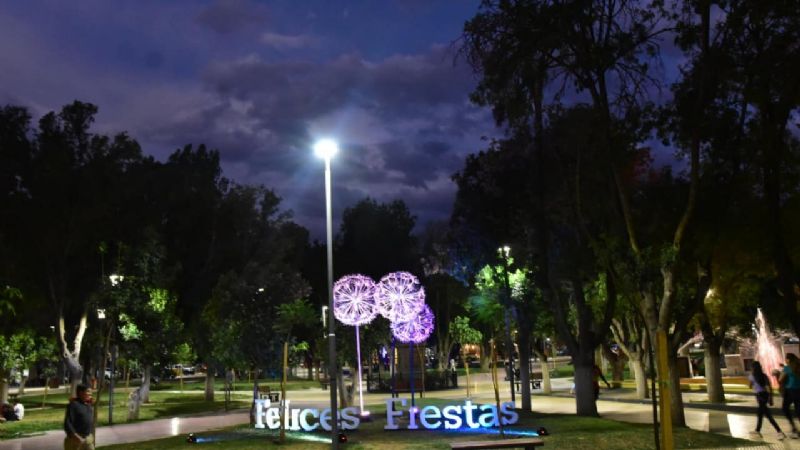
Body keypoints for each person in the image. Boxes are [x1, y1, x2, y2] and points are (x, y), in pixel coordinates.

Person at [749, 361, 785, 439]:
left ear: (752, 368)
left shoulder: (751, 376)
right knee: (761, 414)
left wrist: (752, 382)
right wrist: (770, 398)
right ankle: (758, 431)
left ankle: (779, 431)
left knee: (765, 415)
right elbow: (769, 387)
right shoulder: (764, 376)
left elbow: (750, 386)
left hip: (759, 396)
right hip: (765, 395)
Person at [64, 384, 94, 450]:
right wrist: (76, 436)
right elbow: (67, 423)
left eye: (91, 392)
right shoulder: (74, 405)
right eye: (88, 391)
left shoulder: (88, 405)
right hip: (75, 440)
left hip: (87, 439)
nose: (90, 394)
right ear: (80, 392)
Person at [780, 354, 800, 438]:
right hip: (799, 391)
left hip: (790, 390)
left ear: (788, 360)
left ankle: (794, 428)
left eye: (786, 359)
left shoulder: (787, 368)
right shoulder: (798, 366)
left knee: (785, 408)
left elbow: (780, 379)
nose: (785, 360)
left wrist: (781, 371)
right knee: (798, 411)